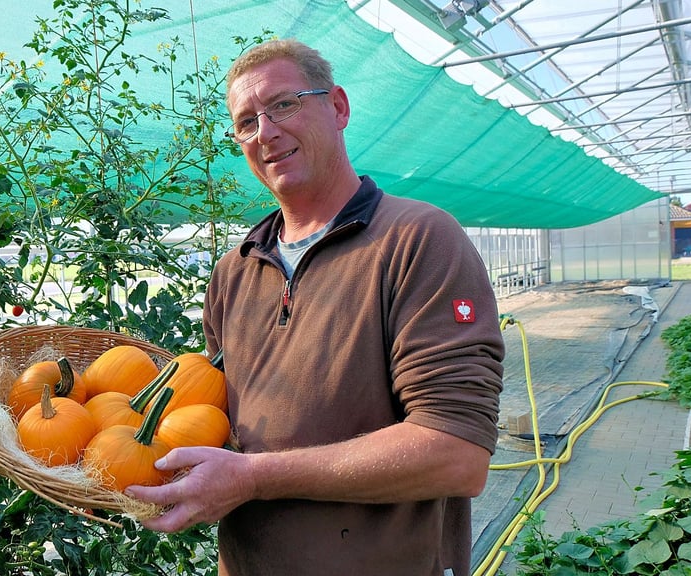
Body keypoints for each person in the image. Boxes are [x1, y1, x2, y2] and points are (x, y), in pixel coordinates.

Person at [124, 38, 505, 576]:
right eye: (247, 122)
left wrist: (255, 477)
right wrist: (121, 466)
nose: (267, 132)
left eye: (284, 104)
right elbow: (217, 426)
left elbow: (456, 453)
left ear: (339, 107)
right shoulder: (235, 270)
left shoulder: (416, 240)